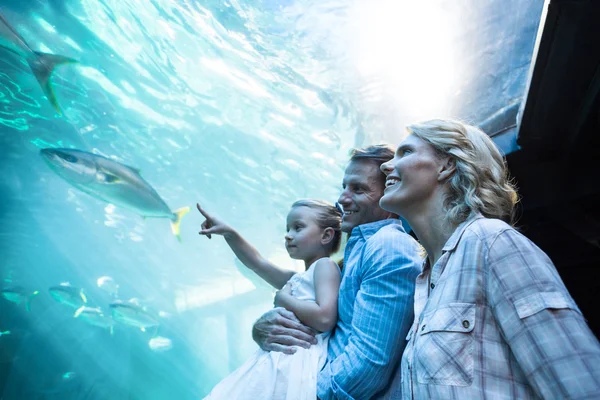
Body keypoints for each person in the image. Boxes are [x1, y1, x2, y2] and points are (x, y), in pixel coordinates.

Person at [379, 119, 600, 399]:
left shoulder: (491, 241)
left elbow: (577, 380)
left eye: (406, 152)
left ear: (446, 166)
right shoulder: (425, 280)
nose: (386, 166)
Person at [252, 145, 423, 400]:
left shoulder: (388, 245)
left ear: (390, 192)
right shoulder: (356, 252)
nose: (342, 199)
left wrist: (305, 391)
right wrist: (263, 330)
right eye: (344, 187)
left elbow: (369, 365)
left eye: (358, 188)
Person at [197, 199, 343, 400]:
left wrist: (284, 300)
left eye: (298, 228)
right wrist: (229, 234)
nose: (288, 234)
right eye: (288, 228)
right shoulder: (298, 278)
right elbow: (257, 263)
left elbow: (325, 319)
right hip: (283, 354)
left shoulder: (325, 266)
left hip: (296, 359)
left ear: (326, 235)